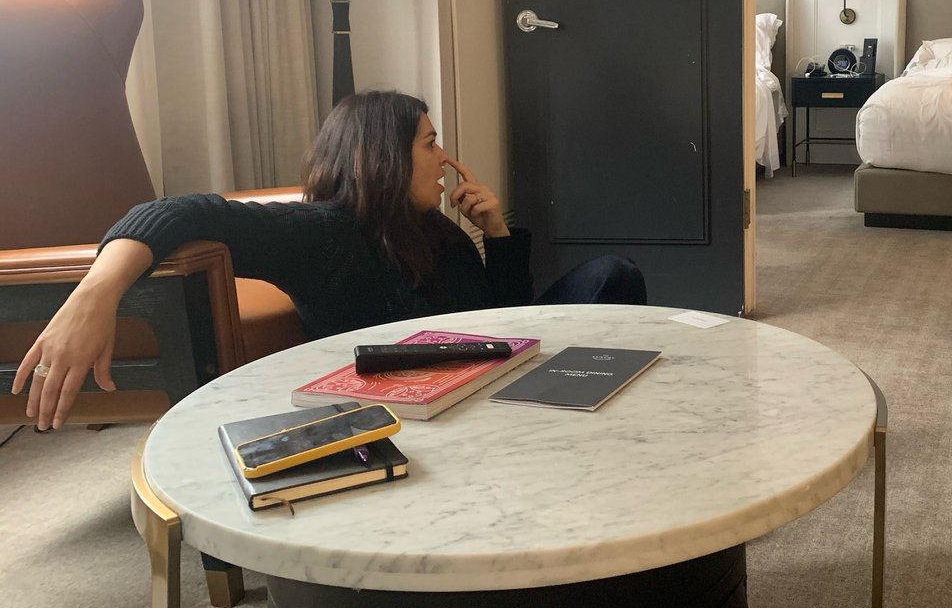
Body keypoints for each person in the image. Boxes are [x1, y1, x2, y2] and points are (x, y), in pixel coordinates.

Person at [13, 91, 646, 429]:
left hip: (485, 373)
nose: (445, 157)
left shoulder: (433, 229)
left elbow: (500, 320)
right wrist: (94, 293)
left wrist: (498, 231)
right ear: (387, 157)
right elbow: (180, 210)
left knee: (612, 275)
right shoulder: (320, 232)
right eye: (430, 144)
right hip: (415, 403)